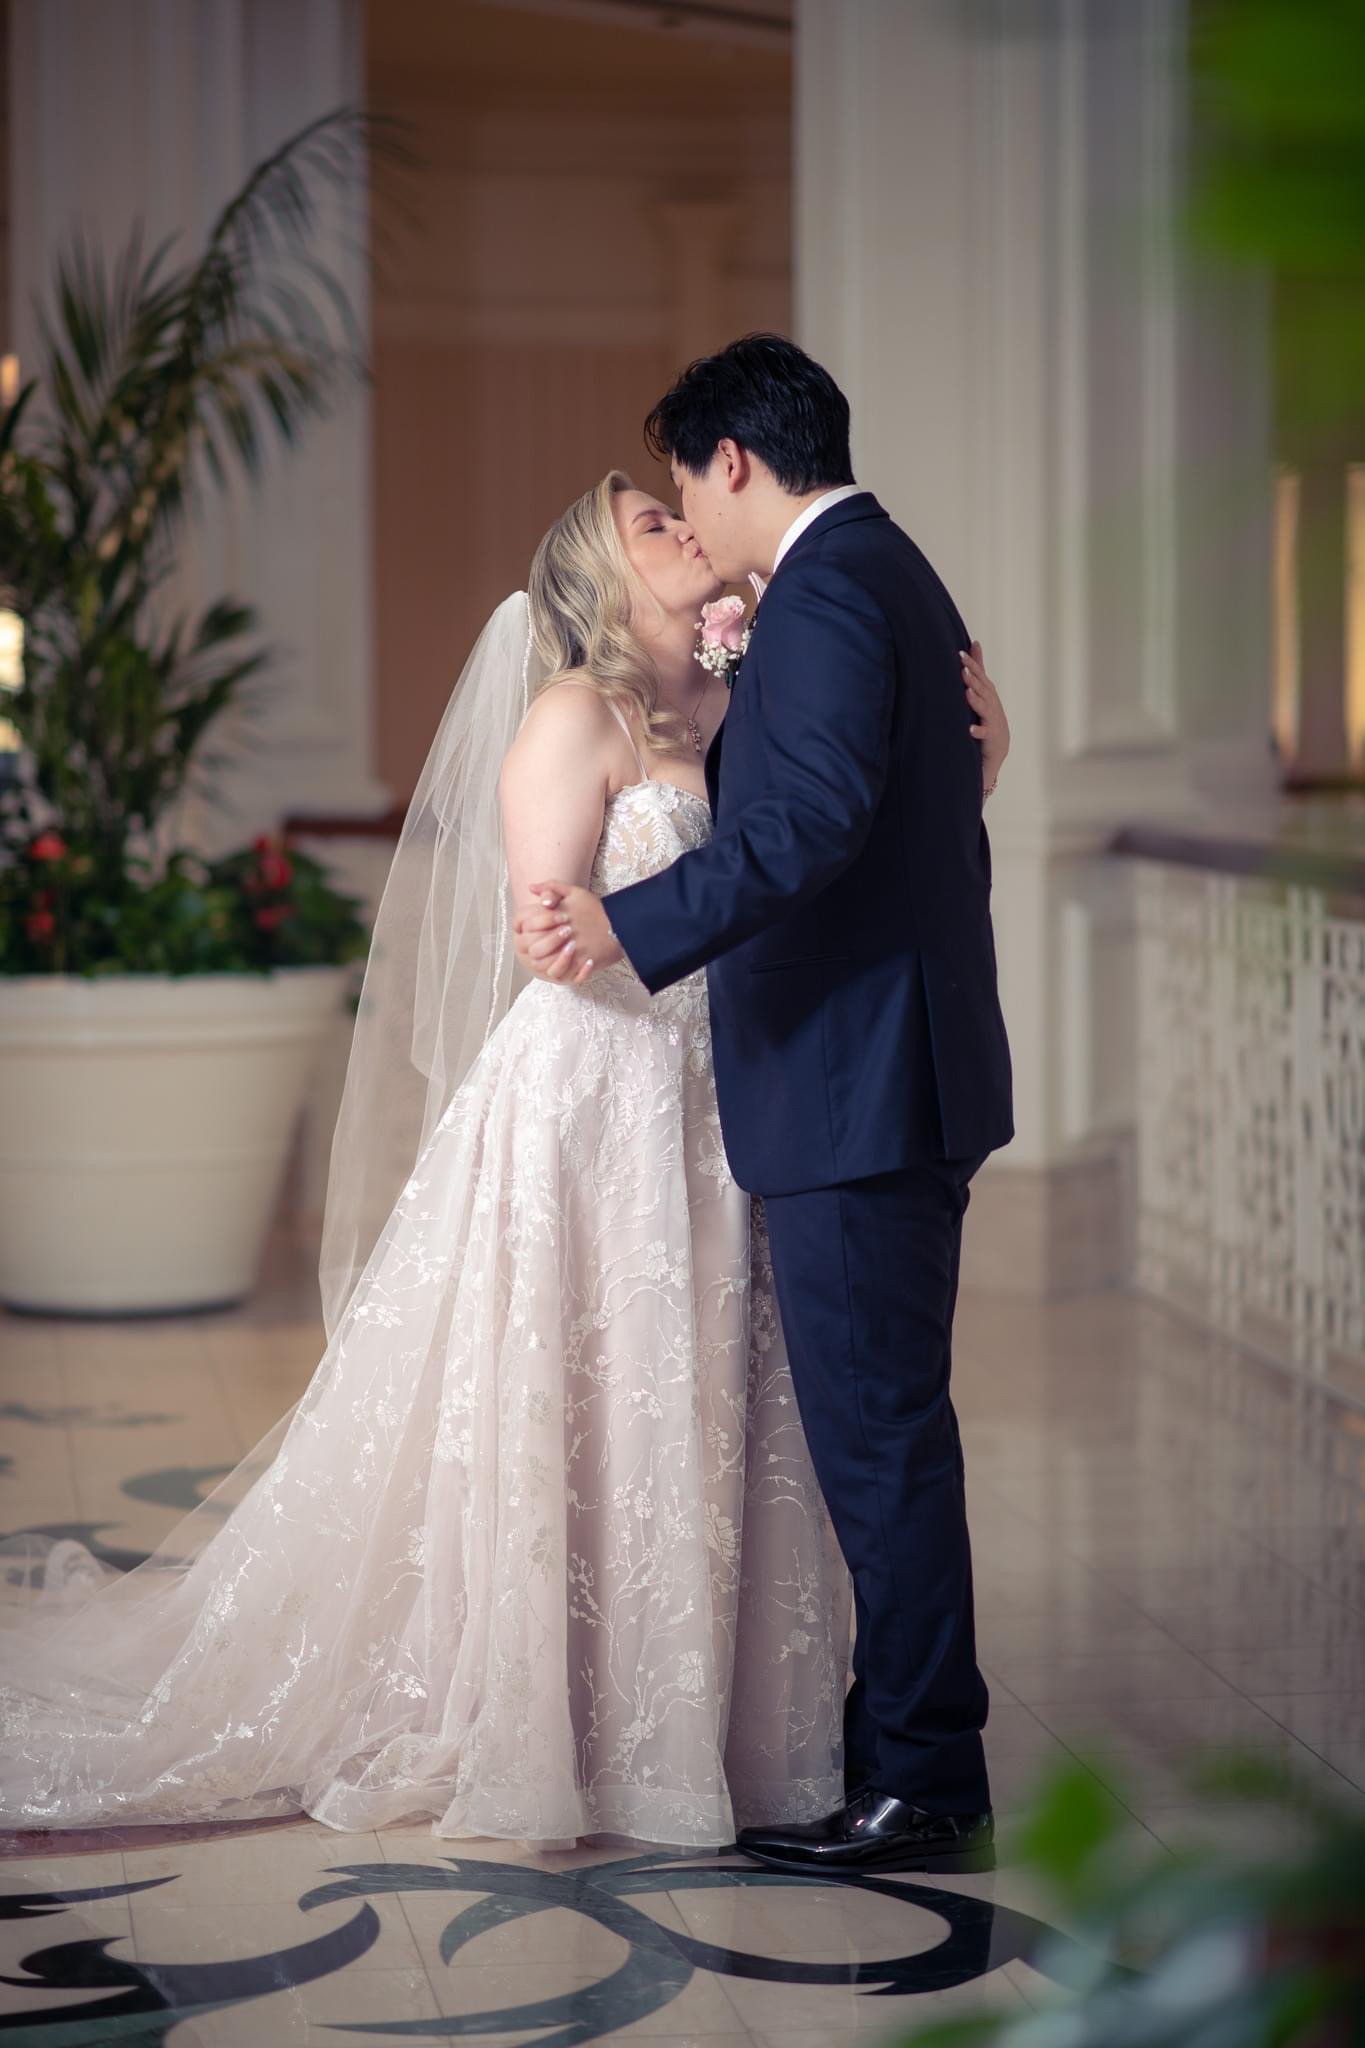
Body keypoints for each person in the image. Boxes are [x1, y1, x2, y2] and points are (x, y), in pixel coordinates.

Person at [0, 454, 1008, 1854]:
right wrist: (627, 930)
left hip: (731, 1106)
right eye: (648, 522)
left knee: (713, 1406)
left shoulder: (742, 698)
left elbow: (831, 845)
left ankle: (716, 1715)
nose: (681, 528)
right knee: (592, 1400)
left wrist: (974, 760)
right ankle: (573, 1715)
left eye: (676, 505)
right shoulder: (568, 718)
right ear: (603, 576)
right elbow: (554, 944)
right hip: (602, 1104)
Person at [516, 335, 1013, 1876]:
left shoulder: (823, 591)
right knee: (883, 1435)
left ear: (733, 461)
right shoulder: (882, 571)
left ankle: (923, 1781)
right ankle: (903, 1755)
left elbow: (800, 824)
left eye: (680, 483)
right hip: (883, 1068)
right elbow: (884, 799)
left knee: (877, 1443)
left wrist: (631, 926)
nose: (684, 514)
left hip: (861, 1083)